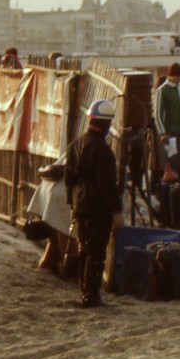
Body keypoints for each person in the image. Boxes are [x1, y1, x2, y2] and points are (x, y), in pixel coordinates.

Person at [64, 99, 124, 308]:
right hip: (97, 206)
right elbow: (107, 184)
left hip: (80, 202)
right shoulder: (102, 150)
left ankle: (84, 290)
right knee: (96, 250)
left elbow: (68, 177)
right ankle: (91, 295)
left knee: (84, 249)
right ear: (106, 123)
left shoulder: (76, 143)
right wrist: (117, 209)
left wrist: (72, 202)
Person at [155, 63, 180, 180]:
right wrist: (163, 133)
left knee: (177, 162)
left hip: (179, 133)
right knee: (171, 164)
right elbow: (158, 114)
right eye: (179, 76)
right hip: (169, 134)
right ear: (173, 75)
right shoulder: (162, 90)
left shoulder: (178, 89)